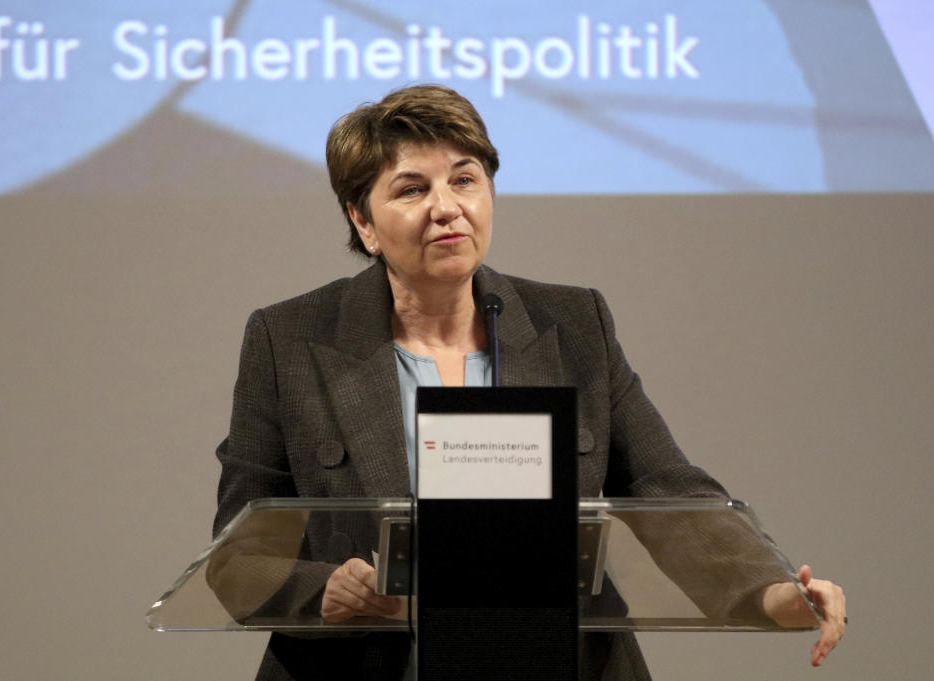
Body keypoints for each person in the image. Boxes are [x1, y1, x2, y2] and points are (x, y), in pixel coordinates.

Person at [213, 84, 845, 680]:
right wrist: (326, 591)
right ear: (363, 222)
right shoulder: (289, 340)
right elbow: (236, 556)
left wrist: (772, 591)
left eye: (465, 179)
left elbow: (668, 491)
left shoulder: (571, 324)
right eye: (412, 189)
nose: (447, 208)